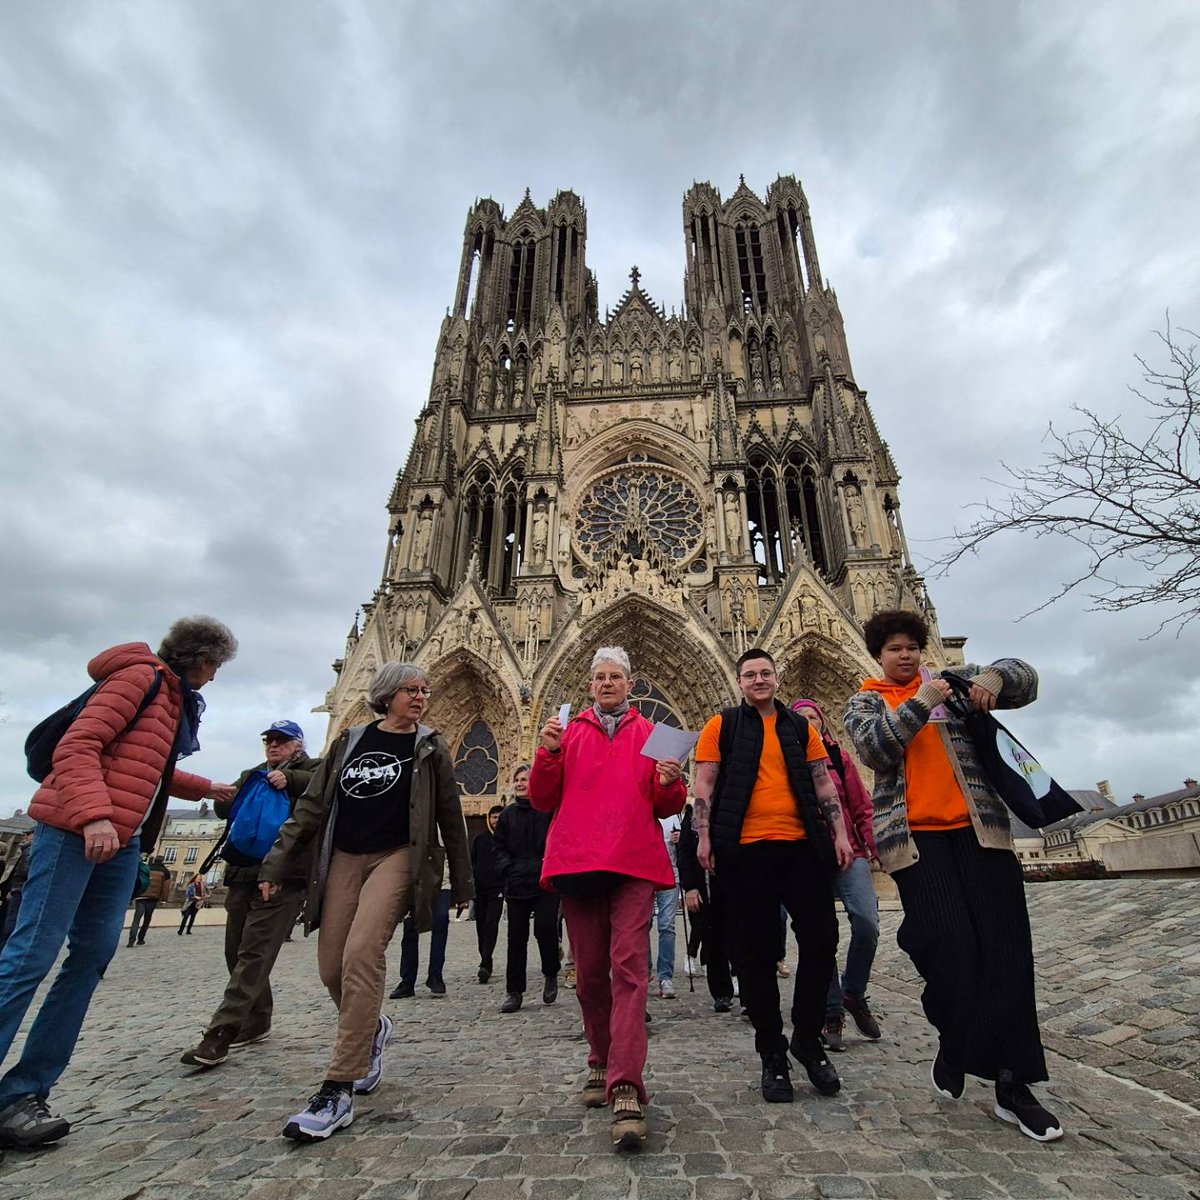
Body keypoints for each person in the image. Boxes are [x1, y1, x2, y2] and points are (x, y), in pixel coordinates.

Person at [0, 616, 237, 1149]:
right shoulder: (138, 679)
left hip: (122, 839)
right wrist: (92, 816)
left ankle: (24, 1093)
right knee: (31, 957)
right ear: (200, 659)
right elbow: (77, 746)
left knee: (91, 958)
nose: (216, 677)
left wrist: (210, 787)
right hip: (74, 830)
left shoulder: (174, 699)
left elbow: (147, 767)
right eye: (216, 666)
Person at [844, 610, 1062, 1142]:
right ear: (878, 655)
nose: (906, 655)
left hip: (981, 832)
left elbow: (1026, 679)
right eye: (895, 648)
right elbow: (875, 747)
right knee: (948, 948)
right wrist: (924, 699)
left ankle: (1014, 1085)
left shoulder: (956, 687)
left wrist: (995, 677)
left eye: (913, 647)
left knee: (1007, 956)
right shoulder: (866, 701)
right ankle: (954, 1034)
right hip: (915, 843)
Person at [259, 662, 472, 1143]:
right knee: (331, 965)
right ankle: (371, 1029)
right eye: (409, 690)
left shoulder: (431, 745)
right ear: (384, 696)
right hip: (345, 857)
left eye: (424, 690)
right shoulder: (349, 741)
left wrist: (462, 880)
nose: (420, 697)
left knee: (362, 953)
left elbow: (449, 813)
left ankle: (338, 1086)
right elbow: (312, 807)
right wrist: (276, 862)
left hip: (398, 855)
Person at [528, 645, 685, 1150]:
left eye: (616, 676)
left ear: (630, 684)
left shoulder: (650, 735)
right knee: (591, 974)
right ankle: (599, 1057)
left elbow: (667, 805)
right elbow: (540, 799)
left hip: (634, 863)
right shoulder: (567, 734)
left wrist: (671, 780)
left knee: (630, 970)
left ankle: (626, 1084)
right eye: (600, 677)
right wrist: (547, 753)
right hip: (578, 860)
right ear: (589, 685)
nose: (608, 683)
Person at [691, 647, 854, 1106]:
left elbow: (823, 783)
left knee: (822, 939)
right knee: (755, 956)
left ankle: (805, 1037)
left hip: (802, 849)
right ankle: (772, 1054)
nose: (758, 680)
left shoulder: (802, 728)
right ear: (739, 682)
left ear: (776, 679)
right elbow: (704, 783)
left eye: (765, 673)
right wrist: (703, 836)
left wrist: (840, 832)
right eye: (750, 675)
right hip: (744, 853)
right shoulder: (721, 725)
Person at [180, 721, 321, 1068]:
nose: (273, 746)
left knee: (255, 953)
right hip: (244, 871)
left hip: (286, 875)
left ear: (298, 746)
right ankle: (258, 1019)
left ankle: (221, 1032)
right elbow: (225, 810)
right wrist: (229, 791)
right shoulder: (253, 773)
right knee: (237, 950)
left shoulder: (313, 769)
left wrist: (291, 780)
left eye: (281, 741)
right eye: (269, 741)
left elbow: (326, 790)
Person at [791, 699, 882, 1052]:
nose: (810, 724)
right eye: (802, 721)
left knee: (867, 922)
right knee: (820, 936)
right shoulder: (785, 762)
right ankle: (832, 1014)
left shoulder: (841, 760)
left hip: (850, 853)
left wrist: (877, 847)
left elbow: (862, 806)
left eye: (814, 718)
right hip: (809, 857)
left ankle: (853, 993)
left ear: (824, 722)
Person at [494, 765, 559, 1013]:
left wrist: (549, 865)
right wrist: (506, 868)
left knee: (545, 929)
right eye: (518, 780)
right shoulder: (508, 815)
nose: (521, 783)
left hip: (544, 881)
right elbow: (497, 847)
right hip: (516, 882)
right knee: (516, 937)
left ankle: (551, 971)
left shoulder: (548, 811)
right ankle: (514, 991)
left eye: (526, 779)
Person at [676, 805, 735, 1013]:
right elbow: (684, 851)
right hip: (706, 886)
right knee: (713, 937)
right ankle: (721, 992)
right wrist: (689, 886)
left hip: (735, 882)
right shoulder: (694, 811)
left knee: (740, 936)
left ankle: (748, 991)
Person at [390, 888, 451, 998]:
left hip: (442, 883)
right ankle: (407, 981)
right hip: (415, 884)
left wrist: (464, 891)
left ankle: (435, 976)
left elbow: (461, 870)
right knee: (410, 930)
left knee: (441, 920)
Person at [471, 805, 505, 984]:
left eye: (499, 816)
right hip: (480, 889)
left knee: (492, 923)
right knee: (481, 926)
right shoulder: (480, 839)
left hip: (497, 889)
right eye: (493, 817)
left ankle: (485, 962)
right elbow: (473, 861)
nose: (496, 820)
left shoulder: (507, 839)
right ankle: (485, 959)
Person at [650, 815, 681, 999]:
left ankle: (665, 976)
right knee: (640, 926)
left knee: (667, 926)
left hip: (671, 875)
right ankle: (643, 971)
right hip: (645, 875)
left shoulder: (676, 815)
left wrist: (681, 839)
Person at [127, 855, 172, 946]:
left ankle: (131, 940)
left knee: (136, 919)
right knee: (147, 920)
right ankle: (141, 939)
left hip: (141, 896)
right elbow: (166, 887)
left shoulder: (146, 868)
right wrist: (164, 899)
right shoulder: (165, 871)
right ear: (163, 861)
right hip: (153, 898)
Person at [0, 835, 34, 953]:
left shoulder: (28, 851)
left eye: (28, 835)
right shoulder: (24, 851)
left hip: (19, 892)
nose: (25, 837)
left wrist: (13, 888)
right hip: (15, 890)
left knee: (10, 924)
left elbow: (21, 872)